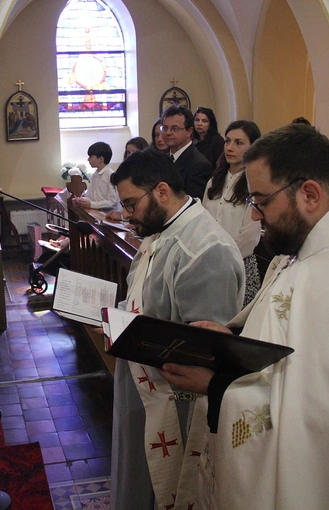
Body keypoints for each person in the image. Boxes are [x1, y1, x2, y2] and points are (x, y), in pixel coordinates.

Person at [159, 123, 329, 508]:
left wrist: (216, 386)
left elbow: (328, 437)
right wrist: (229, 342)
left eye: (261, 201)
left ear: (309, 194)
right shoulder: (314, 256)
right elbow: (296, 363)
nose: (256, 217)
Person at [108, 149, 244, 510]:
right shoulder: (162, 232)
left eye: (131, 204)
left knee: (169, 489)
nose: (126, 215)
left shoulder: (204, 249)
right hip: (142, 387)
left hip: (176, 408)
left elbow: (205, 351)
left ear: (163, 192)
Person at [202, 120, 263, 306]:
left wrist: (222, 260)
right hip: (209, 262)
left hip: (238, 265)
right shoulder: (214, 182)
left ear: (252, 147)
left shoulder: (254, 184)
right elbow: (203, 221)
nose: (230, 147)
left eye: (239, 143)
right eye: (227, 141)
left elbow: (249, 237)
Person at [161, 105, 214, 200]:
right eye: (165, 128)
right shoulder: (163, 159)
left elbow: (193, 206)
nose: (168, 133)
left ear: (189, 131)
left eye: (174, 128)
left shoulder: (199, 165)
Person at [71, 141, 120, 211]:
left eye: (91, 156)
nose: (88, 159)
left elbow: (113, 202)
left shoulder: (111, 175)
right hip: (96, 213)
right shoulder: (94, 175)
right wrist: (80, 201)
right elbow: (90, 196)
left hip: (108, 215)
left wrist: (92, 204)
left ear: (101, 159)